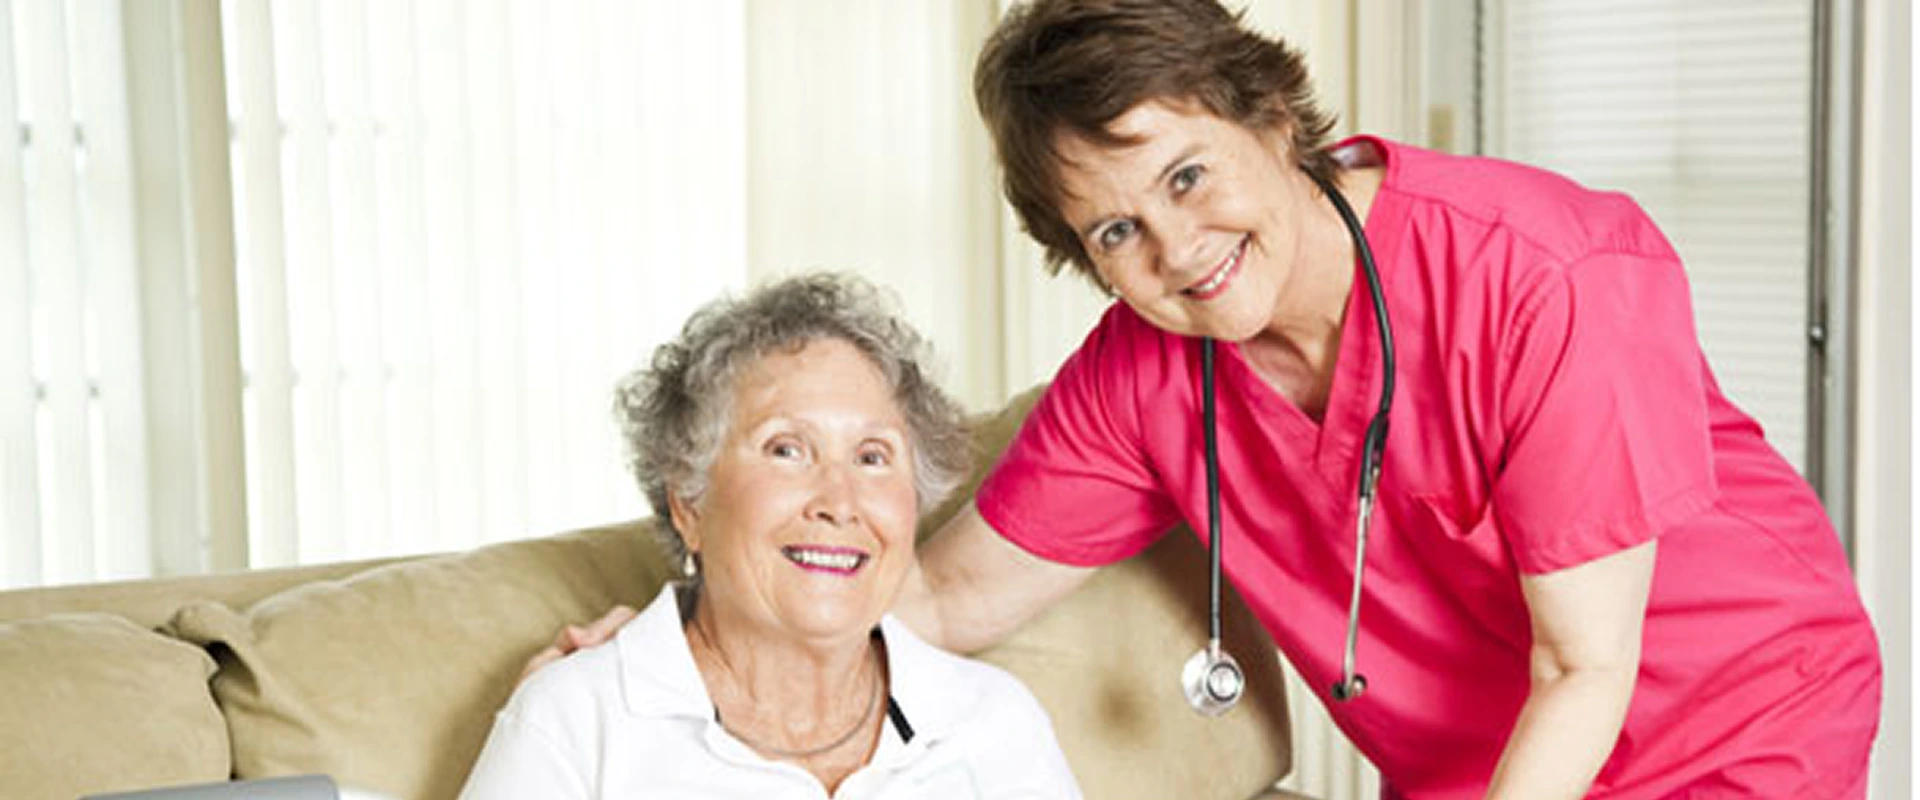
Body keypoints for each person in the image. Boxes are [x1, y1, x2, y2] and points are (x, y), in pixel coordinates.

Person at [536, 1, 1883, 797]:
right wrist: (680, 641)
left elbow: (1583, 666)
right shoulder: (1141, 376)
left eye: (1184, 176)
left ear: (1271, 118)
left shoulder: (1544, 276)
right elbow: (937, 599)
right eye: (1111, 233)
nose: (1173, 250)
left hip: (1733, 723)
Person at [461, 274, 1082, 799]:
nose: (840, 502)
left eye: (872, 457)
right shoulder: (578, 716)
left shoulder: (994, 718)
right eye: (787, 450)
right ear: (689, 502)